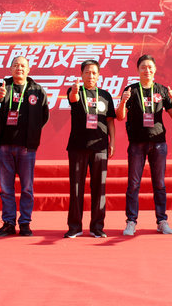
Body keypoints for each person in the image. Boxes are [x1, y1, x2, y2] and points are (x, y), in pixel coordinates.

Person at [116, 54, 172, 235]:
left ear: (155, 69)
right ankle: (131, 221)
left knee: (159, 184)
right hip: (137, 143)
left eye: (150, 67)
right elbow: (120, 116)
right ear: (138, 70)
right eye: (143, 67)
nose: (147, 70)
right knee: (133, 184)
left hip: (158, 143)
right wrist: (123, 101)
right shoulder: (131, 90)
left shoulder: (162, 90)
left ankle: (162, 221)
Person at [0, 56, 49, 237]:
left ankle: (25, 223)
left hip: (26, 147)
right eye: (16, 65)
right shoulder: (4, 86)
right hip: (5, 146)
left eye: (23, 66)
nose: (19, 68)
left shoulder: (37, 90)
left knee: (27, 188)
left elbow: (44, 116)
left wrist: (32, 132)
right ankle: (8, 222)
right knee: (6, 188)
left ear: (29, 69)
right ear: (11, 68)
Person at [64, 60, 116, 239]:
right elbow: (73, 99)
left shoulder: (105, 95)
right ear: (81, 74)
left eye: (94, 73)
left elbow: (110, 121)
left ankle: (97, 227)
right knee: (76, 188)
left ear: (98, 75)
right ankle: (74, 227)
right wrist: (74, 91)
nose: (90, 76)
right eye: (87, 72)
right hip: (78, 147)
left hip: (100, 147)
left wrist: (112, 141)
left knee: (99, 189)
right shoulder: (76, 91)